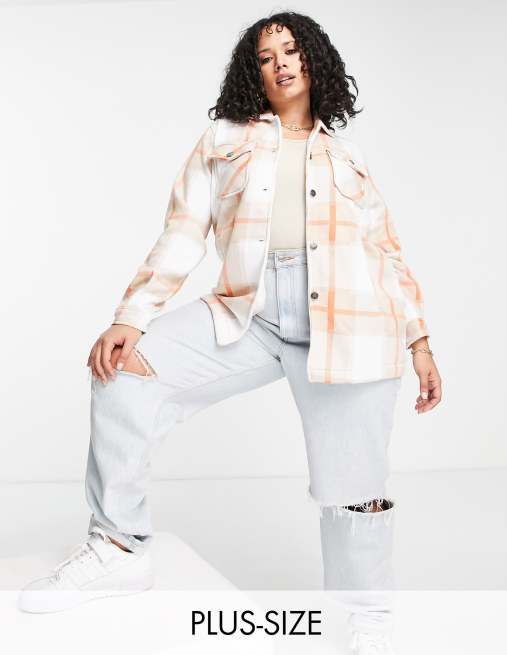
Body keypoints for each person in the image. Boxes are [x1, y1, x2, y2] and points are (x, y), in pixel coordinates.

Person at [18, 11, 442, 654]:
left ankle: (369, 618)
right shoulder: (225, 139)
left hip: (349, 325)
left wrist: (420, 342)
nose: (281, 63)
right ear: (254, 72)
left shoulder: (347, 156)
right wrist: (131, 316)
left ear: (314, 59)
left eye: (292, 50)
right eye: (266, 57)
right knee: (124, 371)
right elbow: (184, 231)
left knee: (355, 489)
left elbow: (386, 253)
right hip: (251, 313)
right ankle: (119, 547)